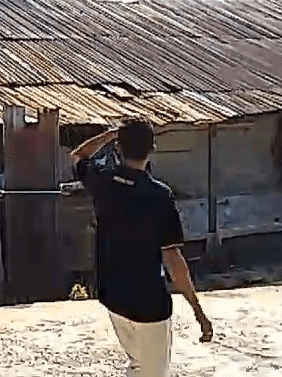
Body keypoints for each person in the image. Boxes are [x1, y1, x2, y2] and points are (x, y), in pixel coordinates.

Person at [70, 119, 213, 377]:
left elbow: (79, 155)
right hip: (148, 304)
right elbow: (173, 259)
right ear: (152, 149)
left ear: (118, 147)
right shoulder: (158, 196)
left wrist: (111, 134)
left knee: (138, 366)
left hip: (113, 297)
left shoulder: (103, 181)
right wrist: (197, 310)